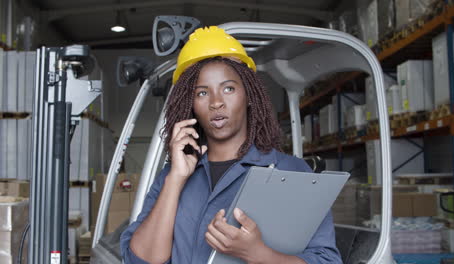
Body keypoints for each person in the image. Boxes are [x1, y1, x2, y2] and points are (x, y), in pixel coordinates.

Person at [120, 26, 342, 264]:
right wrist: (175, 179)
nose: (216, 102)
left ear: (248, 96)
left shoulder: (292, 172)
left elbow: (326, 260)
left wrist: (257, 254)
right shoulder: (172, 176)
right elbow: (139, 260)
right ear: (190, 104)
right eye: (202, 93)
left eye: (228, 88)